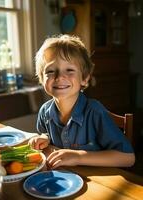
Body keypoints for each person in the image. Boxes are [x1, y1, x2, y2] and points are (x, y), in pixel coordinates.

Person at [28, 34, 135, 169]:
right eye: (50, 71)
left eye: (69, 70)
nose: (60, 77)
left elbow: (128, 158)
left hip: (99, 183)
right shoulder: (45, 111)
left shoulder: (95, 112)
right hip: (61, 181)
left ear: (84, 79)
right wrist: (43, 139)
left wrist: (78, 156)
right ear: (42, 79)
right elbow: (46, 137)